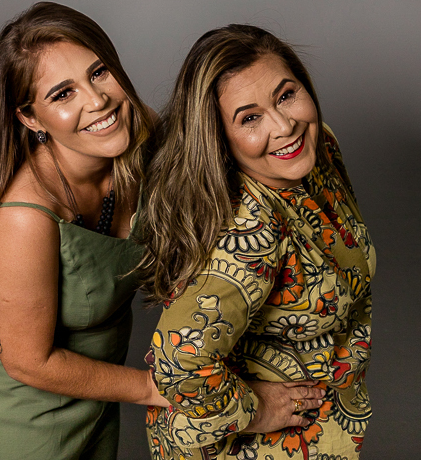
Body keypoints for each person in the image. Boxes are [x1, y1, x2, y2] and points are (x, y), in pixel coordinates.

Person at [0, 2, 170, 460]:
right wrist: (156, 388)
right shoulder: (23, 218)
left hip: (97, 398)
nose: (97, 101)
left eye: (99, 72)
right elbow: (28, 361)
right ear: (30, 117)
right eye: (63, 94)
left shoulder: (139, 134)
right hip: (13, 419)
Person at [138, 25, 373, 459]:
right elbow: (179, 361)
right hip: (251, 447)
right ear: (218, 139)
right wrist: (253, 410)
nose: (284, 126)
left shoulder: (317, 148)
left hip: (323, 429)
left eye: (286, 95)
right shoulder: (248, 233)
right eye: (249, 118)